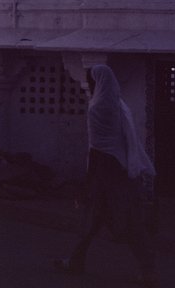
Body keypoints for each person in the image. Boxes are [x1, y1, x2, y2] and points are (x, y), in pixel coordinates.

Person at [55, 64, 158, 288]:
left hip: (106, 173)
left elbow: (98, 149)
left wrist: (87, 183)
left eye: (90, 81)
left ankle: (147, 270)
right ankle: (76, 261)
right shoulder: (119, 104)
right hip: (121, 169)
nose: (89, 85)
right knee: (111, 220)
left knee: (110, 221)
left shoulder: (97, 108)